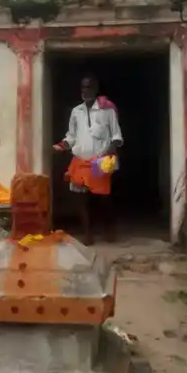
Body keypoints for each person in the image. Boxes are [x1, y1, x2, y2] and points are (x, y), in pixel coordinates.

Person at [53, 75, 123, 245]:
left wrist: (110, 153)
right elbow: (71, 136)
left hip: (100, 160)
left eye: (89, 87)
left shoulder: (108, 111)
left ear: (96, 89)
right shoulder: (76, 111)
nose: (86, 91)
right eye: (83, 88)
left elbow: (116, 135)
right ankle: (87, 233)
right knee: (81, 199)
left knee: (103, 198)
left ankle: (109, 229)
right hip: (80, 160)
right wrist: (62, 145)